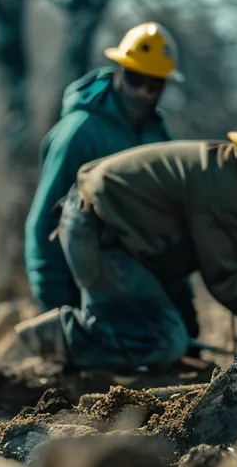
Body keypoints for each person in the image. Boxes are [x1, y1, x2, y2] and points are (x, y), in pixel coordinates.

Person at [14, 116, 237, 371]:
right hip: (96, 233)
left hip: (123, 241)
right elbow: (229, 283)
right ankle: (60, 338)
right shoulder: (221, 191)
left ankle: (101, 350)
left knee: (173, 337)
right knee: (167, 341)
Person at [25, 22, 179, 313]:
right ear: (120, 69)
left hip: (135, 284)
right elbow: (43, 222)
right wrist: (56, 303)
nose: (144, 92)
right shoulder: (79, 132)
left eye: (154, 84)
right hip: (82, 292)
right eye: (136, 79)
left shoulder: (159, 137)